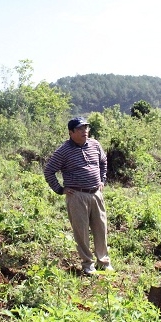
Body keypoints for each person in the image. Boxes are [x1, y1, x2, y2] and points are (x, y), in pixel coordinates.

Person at [44, 117, 113, 275]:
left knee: (101, 229)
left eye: (86, 128)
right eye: (81, 129)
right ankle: (88, 264)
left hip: (96, 193)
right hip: (77, 196)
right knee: (81, 232)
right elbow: (49, 171)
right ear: (71, 132)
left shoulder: (95, 144)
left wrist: (102, 180)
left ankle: (103, 261)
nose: (85, 131)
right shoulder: (64, 151)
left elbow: (103, 161)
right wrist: (60, 189)